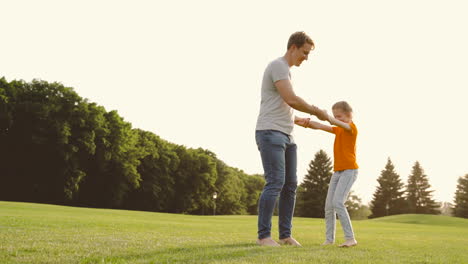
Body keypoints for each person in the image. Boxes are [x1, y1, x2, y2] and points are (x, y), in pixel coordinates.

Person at [255, 31, 329, 247]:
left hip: (287, 134)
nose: (306, 57)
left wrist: (298, 119)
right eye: (305, 52)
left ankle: (285, 235)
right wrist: (316, 111)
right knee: (276, 182)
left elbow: (283, 105)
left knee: (290, 185)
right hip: (270, 132)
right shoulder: (278, 65)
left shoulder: (286, 71)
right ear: (293, 48)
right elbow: (291, 99)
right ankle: (264, 237)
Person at [295, 101, 358, 247]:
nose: (337, 119)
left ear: (349, 115)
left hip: (349, 170)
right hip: (337, 172)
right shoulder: (338, 130)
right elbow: (319, 126)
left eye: (340, 116)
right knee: (329, 206)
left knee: (338, 202)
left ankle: (350, 239)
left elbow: (336, 123)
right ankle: (329, 240)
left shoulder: (351, 128)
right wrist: (300, 121)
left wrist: (328, 117)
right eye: (335, 116)